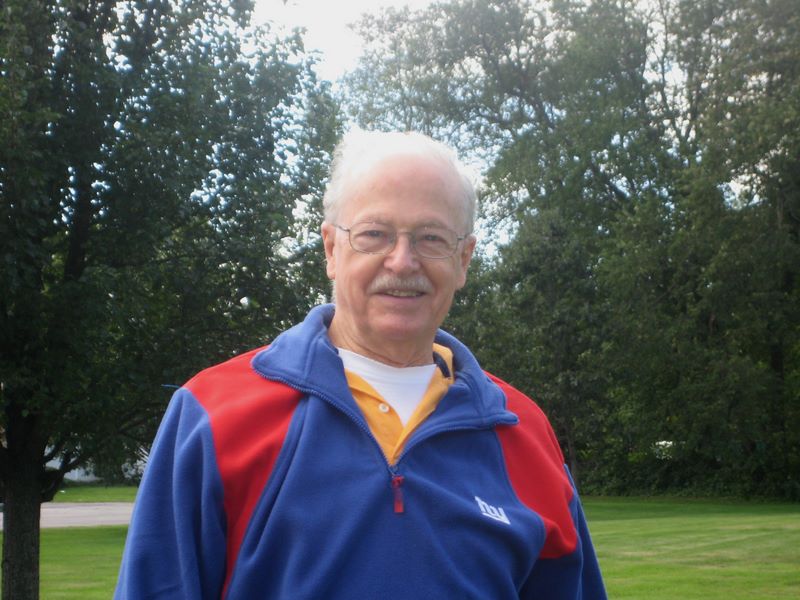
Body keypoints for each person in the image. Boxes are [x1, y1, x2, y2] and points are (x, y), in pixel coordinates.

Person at [114, 129, 607, 599]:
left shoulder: (524, 430)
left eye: (432, 238)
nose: (402, 261)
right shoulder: (210, 413)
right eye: (374, 234)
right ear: (331, 248)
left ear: (464, 260)